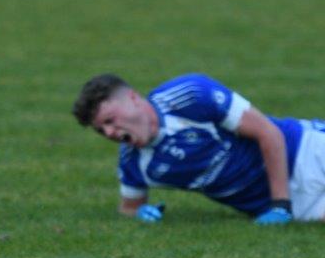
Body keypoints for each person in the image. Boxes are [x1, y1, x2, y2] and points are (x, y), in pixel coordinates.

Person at [72, 72, 325, 224]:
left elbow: (268, 132)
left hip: (305, 150)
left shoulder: (190, 95)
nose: (109, 133)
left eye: (109, 121)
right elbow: (129, 207)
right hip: (295, 203)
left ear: (133, 98)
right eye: (101, 130)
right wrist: (141, 213)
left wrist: (280, 205)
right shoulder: (133, 163)